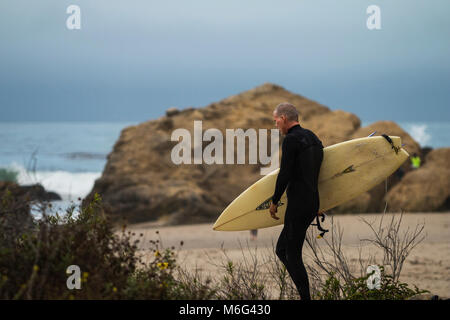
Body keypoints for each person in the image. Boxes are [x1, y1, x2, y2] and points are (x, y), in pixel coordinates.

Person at [269, 102, 324, 300]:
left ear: (284, 118)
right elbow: (318, 175)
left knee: (289, 253)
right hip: (311, 203)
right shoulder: (313, 138)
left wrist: (274, 201)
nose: (277, 127)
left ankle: (305, 298)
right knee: (284, 250)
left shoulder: (291, 140)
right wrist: (317, 204)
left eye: (276, 122)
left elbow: (285, 174)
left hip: (299, 205)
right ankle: (304, 296)